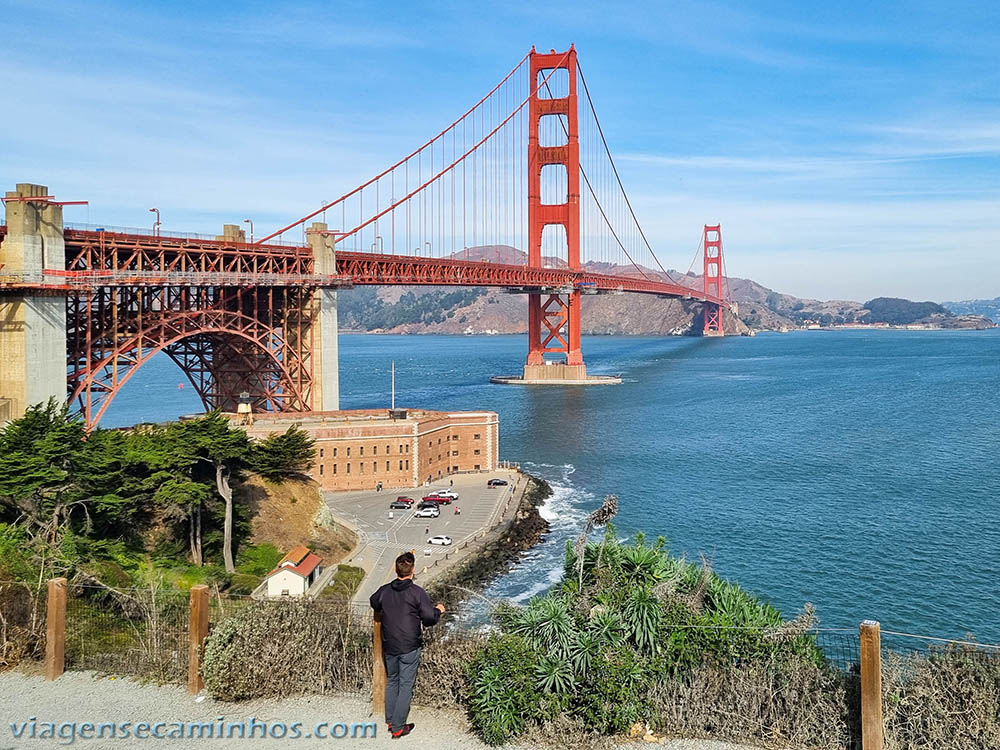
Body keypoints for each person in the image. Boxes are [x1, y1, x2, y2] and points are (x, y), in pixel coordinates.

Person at [369, 551, 445, 739]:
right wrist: (438, 610)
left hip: (390, 644)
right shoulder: (417, 592)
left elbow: (374, 602)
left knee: (393, 680)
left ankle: (389, 719)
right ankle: (397, 727)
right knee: (405, 685)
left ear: (395, 569)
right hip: (410, 646)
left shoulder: (384, 590)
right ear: (412, 570)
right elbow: (428, 619)